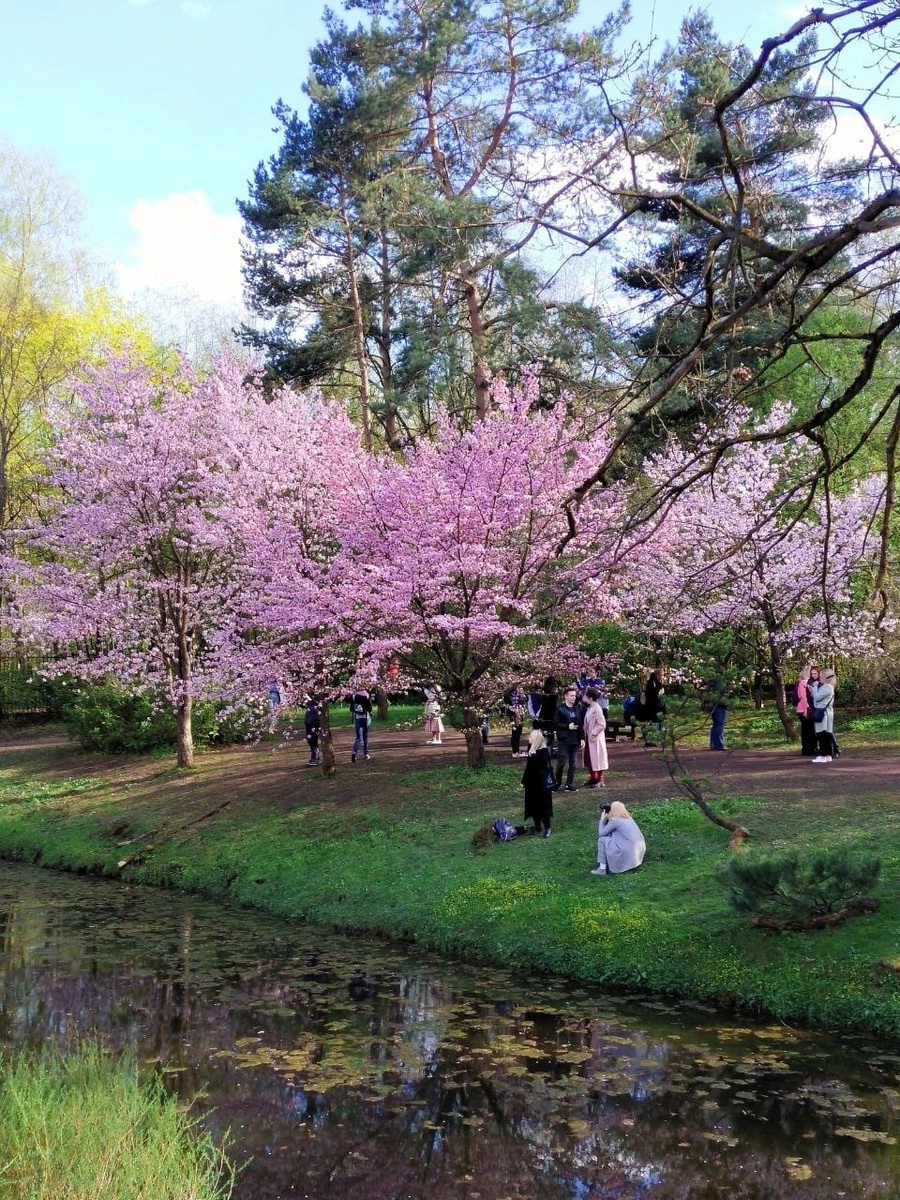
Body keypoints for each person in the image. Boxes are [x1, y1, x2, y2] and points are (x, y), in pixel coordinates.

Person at [591, 801, 646, 876]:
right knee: (610, 839)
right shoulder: (628, 817)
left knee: (602, 840)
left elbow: (601, 834)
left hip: (628, 850)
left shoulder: (615, 820)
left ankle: (602, 869)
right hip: (638, 849)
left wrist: (602, 820)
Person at [521, 729, 553, 837]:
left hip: (541, 782)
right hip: (531, 782)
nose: (529, 739)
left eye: (531, 737)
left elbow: (542, 764)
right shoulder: (531, 749)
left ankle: (547, 826)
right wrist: (524, 780)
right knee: (533, 804)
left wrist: (533, 755)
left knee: (543, 804)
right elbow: (528, 766)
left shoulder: (543, 751)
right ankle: (537, 825)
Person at [554, 684, 585, 792]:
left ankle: (569, 784)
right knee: (561, 761)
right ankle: (557, 783)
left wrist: (582, 738)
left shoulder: (578, 708)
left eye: (574, 696)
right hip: (564, 739)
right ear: (566, 696)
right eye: (571, 696)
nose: (574, 698)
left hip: (575, 740)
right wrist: (567, 726)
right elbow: (555, 724)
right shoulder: (560, 709)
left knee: (574, 763)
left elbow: (580, 724)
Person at [582, 686, 608, 788]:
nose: (584, 697)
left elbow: (602, 724)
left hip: (595, 738)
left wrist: (593, 733)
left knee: (598, 758)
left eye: (586, 696)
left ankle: (600, 779)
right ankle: (593, 778)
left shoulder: (597, 709)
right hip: (589, 738)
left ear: (590, 698)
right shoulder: (590, 708)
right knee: (589, 758)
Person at [811, 668, 838, 763]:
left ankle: (823, 755)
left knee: (822, 735)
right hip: (826, 713)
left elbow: (817, 698)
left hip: (823, 714)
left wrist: (814, 690)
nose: (820, 677)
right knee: (825, 735)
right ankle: (827, 755)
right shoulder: (829, 687)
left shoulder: (827, 687)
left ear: (826, 677)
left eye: (822, 676)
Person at [795, 664, 818, 757]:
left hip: (803, 709)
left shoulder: (802, 682)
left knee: (806, 730)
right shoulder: (804, 683)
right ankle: (810, 749)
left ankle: (807, 749)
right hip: (805, 709)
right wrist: (806, 709)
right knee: (810, 730)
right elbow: (803, 697)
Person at [704, 675, 729, 751]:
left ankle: (713, 744)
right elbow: (723, 692)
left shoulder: (711, 680)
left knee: (716, 724)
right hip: (719, 704)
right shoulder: (720, 680)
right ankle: (719, 744)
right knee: (719, 724)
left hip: (712, 704)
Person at [349, 687, 372, 762]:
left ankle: (354, 752)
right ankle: (366, 753)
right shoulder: (366, 694)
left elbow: (351, 708)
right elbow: (369, 708)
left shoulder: (354, 695)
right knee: (365, 736)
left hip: (357, 718)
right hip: (365, 717)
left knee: (358, 737)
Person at [507, 686, 527, 756]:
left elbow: (524, 700)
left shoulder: (520, 691)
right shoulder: (512, 693)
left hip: (520, 712)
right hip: (514, 714)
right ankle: (515, 751)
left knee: (518, 732)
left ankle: (516, 751)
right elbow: (512, 703)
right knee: (515, 732)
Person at [304, 695, 322, 766]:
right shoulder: (309, 703)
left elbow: (318, 706)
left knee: (313, 740)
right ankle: (314, 757)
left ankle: (315, 758)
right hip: (308, 723)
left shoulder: (317, 703)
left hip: (314, 723)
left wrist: (308, 698)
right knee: (310, 741)